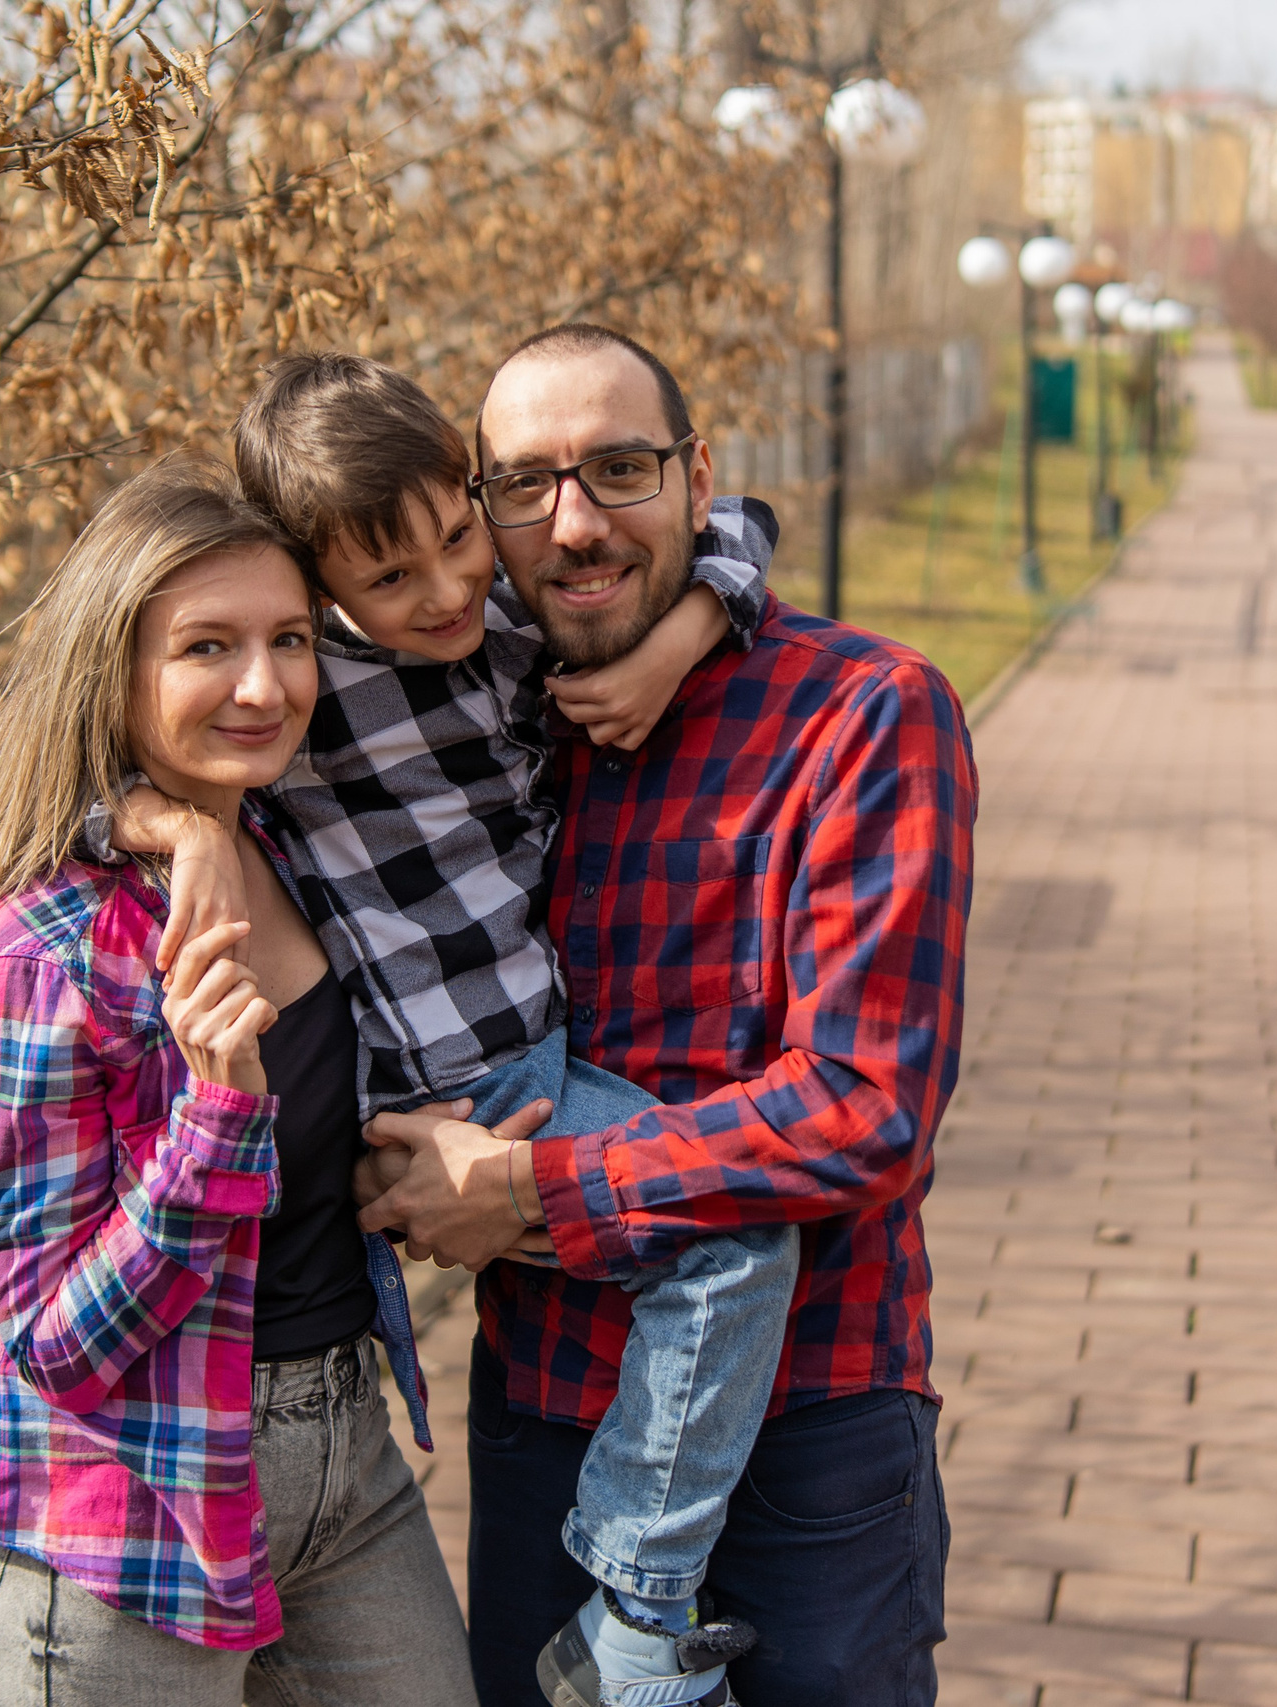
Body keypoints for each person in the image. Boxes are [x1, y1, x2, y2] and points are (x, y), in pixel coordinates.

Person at [114, 352, 798, 1707]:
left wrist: (676, 638)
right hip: (462, 1072)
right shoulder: (304, 695)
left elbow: (743, 528)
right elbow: (96, 758)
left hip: (530, 1049)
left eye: (454, 538)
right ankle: (637, 1606)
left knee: (703, 1240)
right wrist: (172, 824)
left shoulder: (497, 625)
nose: (441, 592)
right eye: (389, 581)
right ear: (313, 589)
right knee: (731, 1238)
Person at [357, 324, 978, 1706]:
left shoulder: (865, 713)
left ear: (697, 477)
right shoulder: (481, 708)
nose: (573, 524)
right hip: (550, 1410)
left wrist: (529, 1187)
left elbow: (866, 1108)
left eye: (619, 470)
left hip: (811, 1413)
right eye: (523, 484)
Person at [0, 456, 477, 1705]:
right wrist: (217, 1118)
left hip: (347, 1459)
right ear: (113, 668)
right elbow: (46, 1344)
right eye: (206, 646)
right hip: (124, 1512)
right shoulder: (34, 958)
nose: (264, 686)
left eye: (288, 640)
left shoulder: (280, 834)